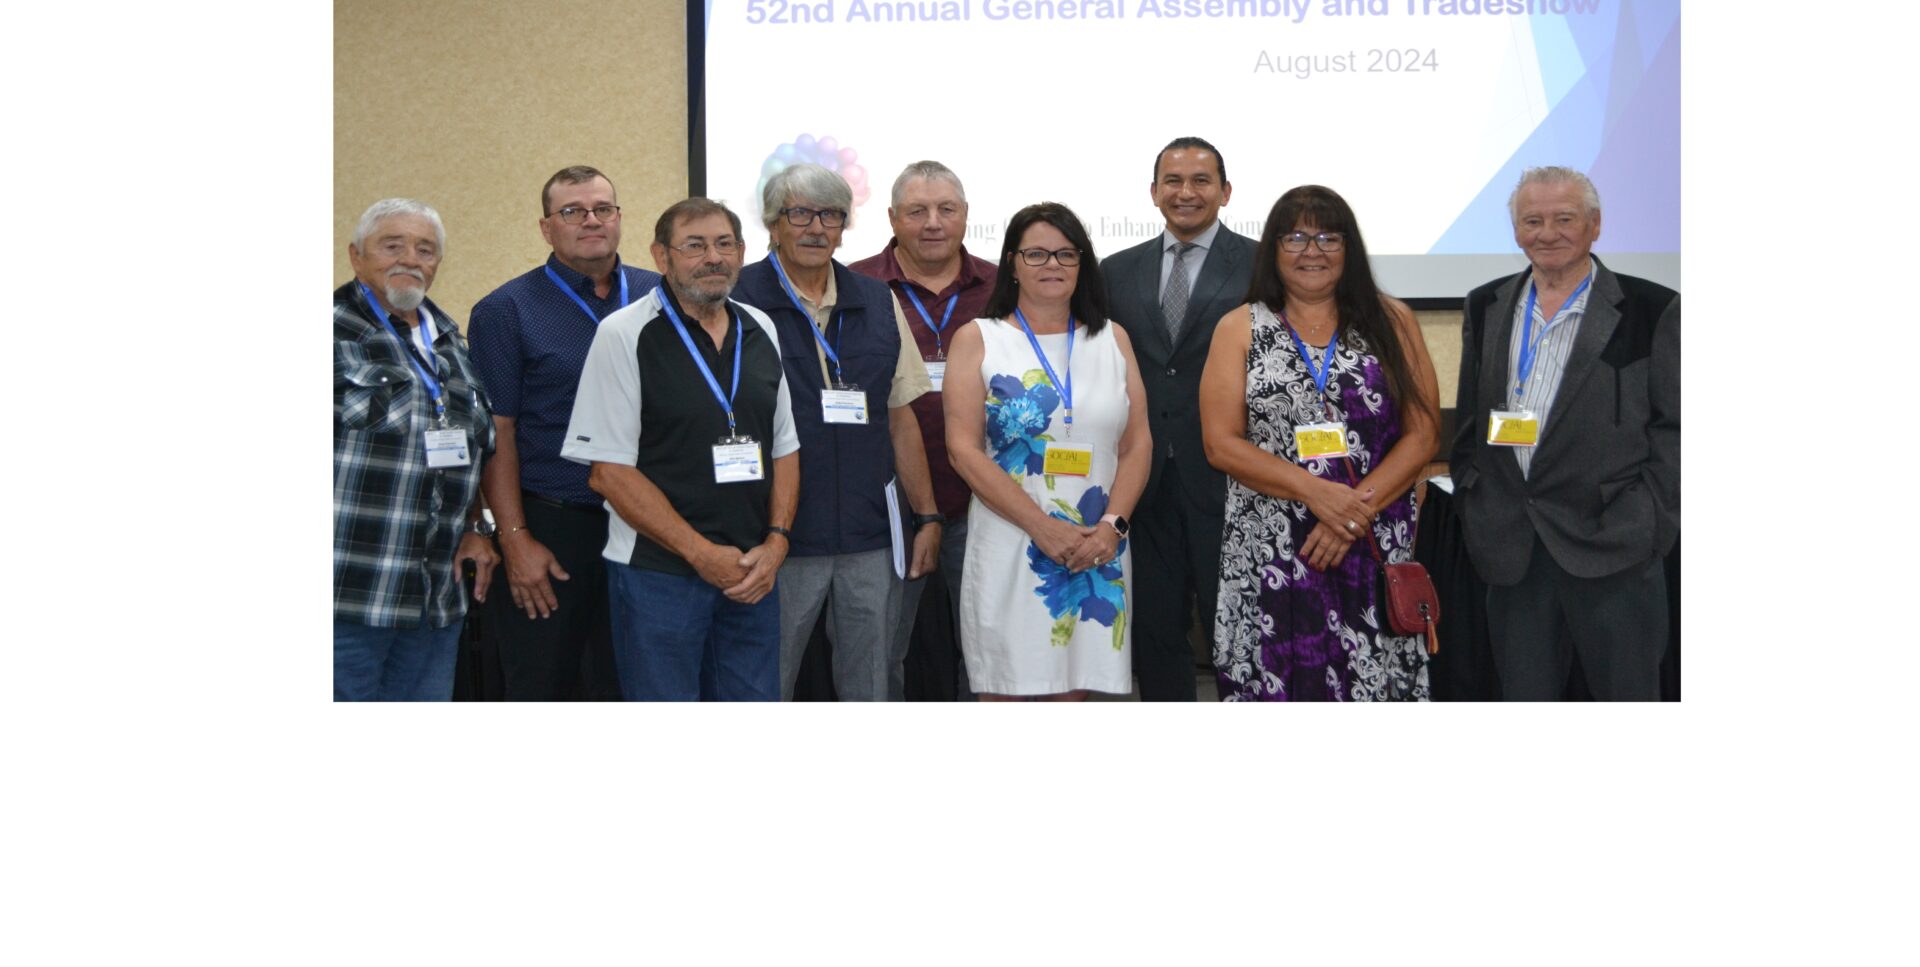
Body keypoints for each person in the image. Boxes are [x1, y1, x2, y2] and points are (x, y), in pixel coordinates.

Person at [1198, 185, 1440, 701]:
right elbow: (1221, 444)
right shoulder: (1239, 326)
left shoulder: (1392, 319)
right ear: (1273, 249)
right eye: (1296, 238)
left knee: (1369, 680)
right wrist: (1318, 493)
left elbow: (1423, 435)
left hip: (1371, 537)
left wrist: (1353, 511)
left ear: (1350, 248)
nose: (1313, 251)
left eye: (1329, 237)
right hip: (1270, 545)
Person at [1449, 166, 1679, 701]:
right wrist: (1474, 494)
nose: (1546, 233)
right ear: (1515, 230)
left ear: (1595, 226)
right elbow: (1469, 420)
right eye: (1532, 220)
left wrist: (1645, 520)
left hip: (1613, 545)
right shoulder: (1486, 303)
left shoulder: (1653, 309)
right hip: (1512, 546)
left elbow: (1678, 429)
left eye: (1564, 219)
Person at [562, 199, 799, 701]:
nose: (712, 257)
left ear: (741, 252)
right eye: (694, 246)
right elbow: (607, 472)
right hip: (659, 575)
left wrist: (777, 541)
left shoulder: (762, 328)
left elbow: (784, 449)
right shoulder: (623, 334)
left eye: (724, 244)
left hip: (752, 571)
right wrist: (700, 554)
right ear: (661, 256)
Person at [731, 163, 940, 701]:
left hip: (870, 537)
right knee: (764, 683)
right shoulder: (736, 300)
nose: (815, 227)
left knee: (870, 684)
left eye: (830, 215)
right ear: (773, 223)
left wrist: (928, 515)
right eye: (799, 213)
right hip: (775, 538)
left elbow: (900, 418)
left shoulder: (875, 300)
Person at [468, 165, 663, 701]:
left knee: (636, 682)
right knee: (545, 683)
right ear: (546, 228)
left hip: (654, 524)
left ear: (620, 219)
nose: (591, 221)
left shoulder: (659, 296)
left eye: (603, 209)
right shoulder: (505, 311)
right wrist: (515, 539)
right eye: (572, 211)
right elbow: (497, 433)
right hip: (557, 527)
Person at [943, 202, 1151, 701]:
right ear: (1011, 263)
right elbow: (962, 450)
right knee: (1008, 688)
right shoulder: (979, 339)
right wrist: (1043, 527)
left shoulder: (1112, 339)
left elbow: (1138, 442)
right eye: (1036, 254)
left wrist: (1113, 526)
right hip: (1012, 544)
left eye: (1065, 254)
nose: (1052, 265)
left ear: (1083, 264)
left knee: (1077, 692)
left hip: (1097, 547)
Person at [1101, 137, 1256, 701]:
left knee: (1237, 624)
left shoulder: (1264, 265)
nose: (1185, 193)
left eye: (1200, 181)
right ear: (1153, 192)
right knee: (1155, 629)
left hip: (1232, 476)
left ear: (1225, 191)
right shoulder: (1115, 270)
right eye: (1172, 181)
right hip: (1143, 480)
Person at [334, 198, 498, 701]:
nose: (409, 258)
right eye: (392, 245)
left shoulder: (452, 343)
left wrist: (476, 527)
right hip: (347, 594)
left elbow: (472, 451)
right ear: (356, 256)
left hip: (434, 601)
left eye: (424, 249)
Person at [848, 161, 999, 700]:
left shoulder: (1004, 287)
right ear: (892, 218)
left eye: (946, 210)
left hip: (988, 503)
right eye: (917, 211)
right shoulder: (854, 285)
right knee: (880, 653)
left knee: (985, 652)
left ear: (964, 216)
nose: (932, 222)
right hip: (888, 506)